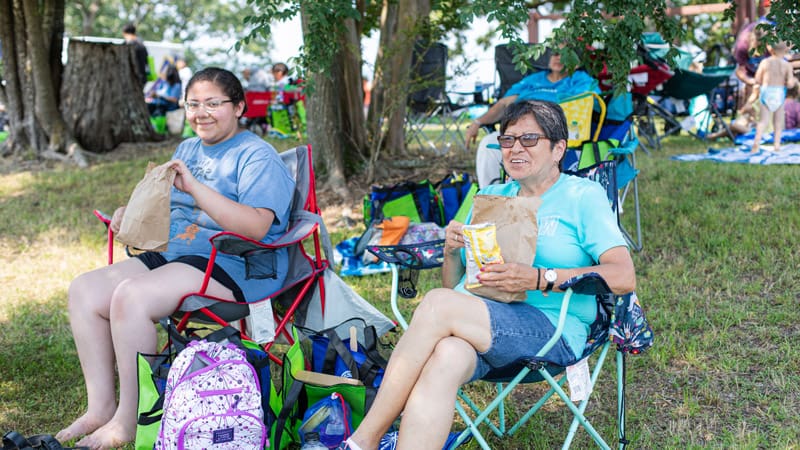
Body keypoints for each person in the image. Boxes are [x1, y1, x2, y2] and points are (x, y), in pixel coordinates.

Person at [340, 100, 636, 450]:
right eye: (507, 140)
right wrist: (451, 251)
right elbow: (455, 290)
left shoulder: (582, 196)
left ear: (558, 149)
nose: (515, 149)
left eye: (529, 139)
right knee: (447, 354)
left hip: (552, 328)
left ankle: (364, 440)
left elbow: (623, 276)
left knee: (436, 305)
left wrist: (539, 278)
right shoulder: (490, 196)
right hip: (483, 323)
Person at [55, 67, 296, 449]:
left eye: (213, 104)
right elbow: (168, 207)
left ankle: (131, 419)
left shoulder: (256, 156)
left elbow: (255, 227)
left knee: (132, 297)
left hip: (234, 262)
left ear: (239, 107)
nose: (202, 113)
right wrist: (130, 213)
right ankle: (100, 407)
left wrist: (196, 187)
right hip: (177, 252)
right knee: (85, 290)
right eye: (193, 104)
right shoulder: (188, 149)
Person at [465, 50, 599, 187]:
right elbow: (503, 104)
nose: (558, 58)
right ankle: (490, 194)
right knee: (488, 143)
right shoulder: (533, 80)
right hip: (519, 129)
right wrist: (478, 122)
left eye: (564, 54)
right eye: (555, 54)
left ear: (575, 61)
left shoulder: (580, 80)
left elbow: (589, 105)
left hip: (554, 133)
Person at [751, 41, 798, 153]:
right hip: (778, 92)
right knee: (778, 122)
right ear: (786, 50)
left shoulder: (765, 62)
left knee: (763, 121)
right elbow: (790, 84)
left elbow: (757, 79)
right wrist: (789, 82)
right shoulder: (787, 65)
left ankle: (756, 144)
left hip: (766, 91)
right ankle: (777, 146)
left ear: (770, 49)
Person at [122, 23, 149, 89]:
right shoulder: (141, 43)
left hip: (132, 78)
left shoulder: (129, 44)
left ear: (124, 33)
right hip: (142, 77)